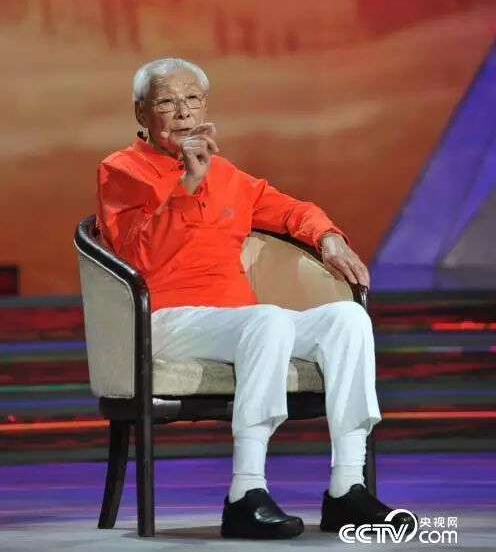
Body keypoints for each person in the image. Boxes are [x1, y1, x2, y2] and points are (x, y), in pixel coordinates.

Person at [96, 57, 413, 540]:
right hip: (162, 319)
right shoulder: (121, 170)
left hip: (238, 322)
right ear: (141, 112)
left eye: (192, 99)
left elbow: (292, 211)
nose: (182, 112)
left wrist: (329, 237)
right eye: (166, 102)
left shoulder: (227, 175)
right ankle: (245, 493)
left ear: (205, 106)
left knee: (347, 320)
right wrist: (187, 184)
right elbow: (139, 255)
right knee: (267, 320)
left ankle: (347, 488)